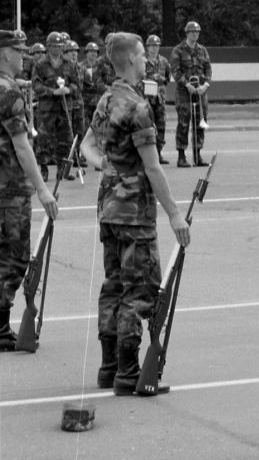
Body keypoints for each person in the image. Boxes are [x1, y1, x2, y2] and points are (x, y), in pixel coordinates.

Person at [80, 32, 191, 395]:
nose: (147, 61)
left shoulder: (107, 99)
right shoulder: (137, 106)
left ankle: (109, 365)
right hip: (133, 212)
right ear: (129, 60)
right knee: (138, 288)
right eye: (143, 55)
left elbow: (87, 146)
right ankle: (128, 372)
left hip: (109, 207)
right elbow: (154, 168)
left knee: (113, 284)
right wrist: (175, 214)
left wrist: (109, 167)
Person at [0, 29, 59, 350]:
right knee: (13, 255)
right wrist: (43, 189)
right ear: (5, 54)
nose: (24, 57)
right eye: (19, 51)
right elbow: (23, 147)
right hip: (8, 184)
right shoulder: (9, 92)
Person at [30, 32, 80, 182]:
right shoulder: (40, 64)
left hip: (65, 107)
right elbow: (36, 85)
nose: (58, 49)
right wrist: (52, 92)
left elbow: (77, 84)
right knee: (44, 139)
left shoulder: (69, 64)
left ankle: (61, 170)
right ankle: (44, 170)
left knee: (65, 139)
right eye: (54, 46)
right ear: (48, 47)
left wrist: (68, 90)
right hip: (47, 108)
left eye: (60, 46)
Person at [171, 20, 211, 167]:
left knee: (200, 122)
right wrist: (187, 84)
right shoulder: (178, 50)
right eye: (193, 32)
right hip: (184, 92)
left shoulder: (202, 50)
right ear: (187, 33)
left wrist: (205, 84)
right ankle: (181, 156)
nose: (196, 34)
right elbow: (175, 71)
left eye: (197, 32)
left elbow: (208, 68)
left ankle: (197, 155)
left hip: (200, 92)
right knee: (183, 123)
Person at [142, 34, 170, 163]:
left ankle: (158, 153)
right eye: (152, 46)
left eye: (156, 46)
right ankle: (147, 155)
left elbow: (167, 78)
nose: (154, 48)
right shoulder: (141, 61)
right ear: (147, 47)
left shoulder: (164, 61)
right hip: (145, 99)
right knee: (146, 126)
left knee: (161, 125)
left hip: (159, 99)